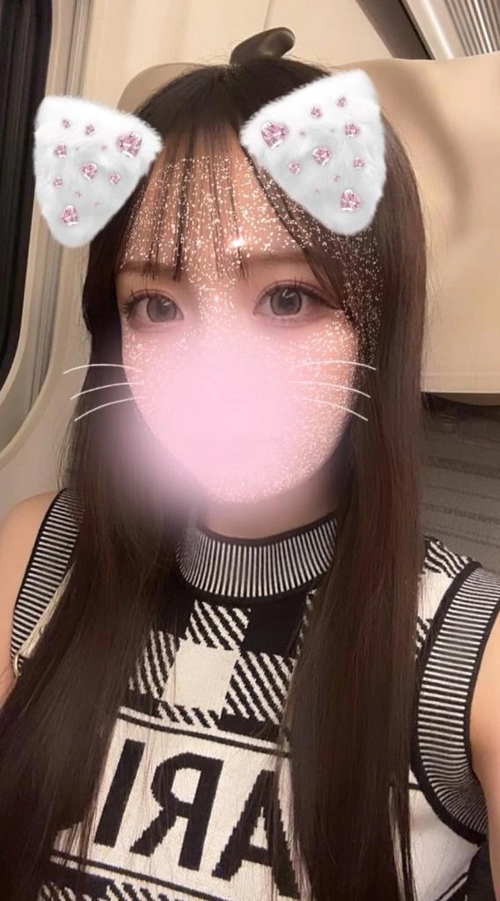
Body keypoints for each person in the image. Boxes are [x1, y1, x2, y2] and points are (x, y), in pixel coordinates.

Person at [0, 55, 498, 901]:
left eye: (287, 298)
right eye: (157, 305)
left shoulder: (474, 659)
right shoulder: (39, 552)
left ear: (378, 325)